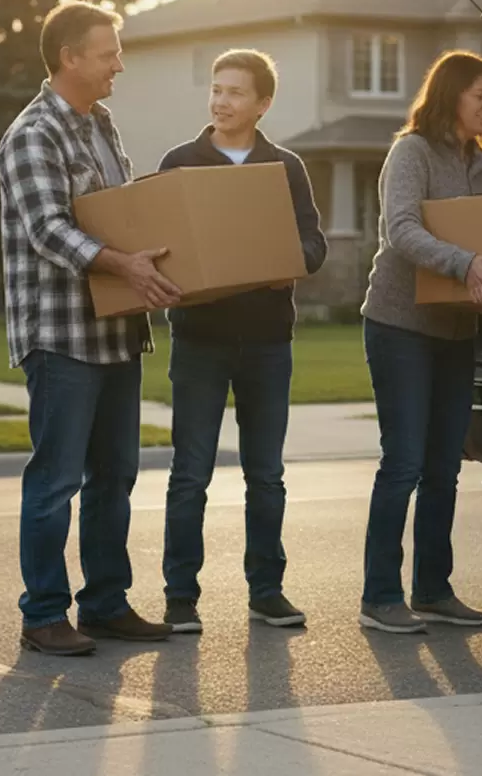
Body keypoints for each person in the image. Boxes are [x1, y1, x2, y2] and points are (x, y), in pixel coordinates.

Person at [0, 0, 182, 655]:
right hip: (62, 337)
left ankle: (104, 604)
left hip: (116, 333)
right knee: (56, 482)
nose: (118, 65)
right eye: (108, 54)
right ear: (69, 57)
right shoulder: (32, 134)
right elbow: (48, 229)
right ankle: (44, 614)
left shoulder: (102, 124)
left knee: (115, 476)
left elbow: (120, 214)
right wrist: (124, 264)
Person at [157, 49, 327, 633]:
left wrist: (288, 262)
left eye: (234, 92)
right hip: (199, 341)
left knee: (266, 474)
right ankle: (180, 598)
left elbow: (314, 244)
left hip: (266, 341)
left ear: (262, 104)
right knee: (190, 474)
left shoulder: (285, 167)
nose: (221, 101)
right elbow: (161, 241)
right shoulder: (180, 162)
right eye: (216, 89)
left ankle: (267, 591)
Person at [358, 50, 482, 634]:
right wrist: (463, 262)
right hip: (400, 325)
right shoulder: (411, 152)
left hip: (456, 328)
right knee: (404, 462)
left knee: (445, 466)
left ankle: (433, 590)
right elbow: (401, 230)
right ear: (452, 95)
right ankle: (379, 597)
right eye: (480, 95)